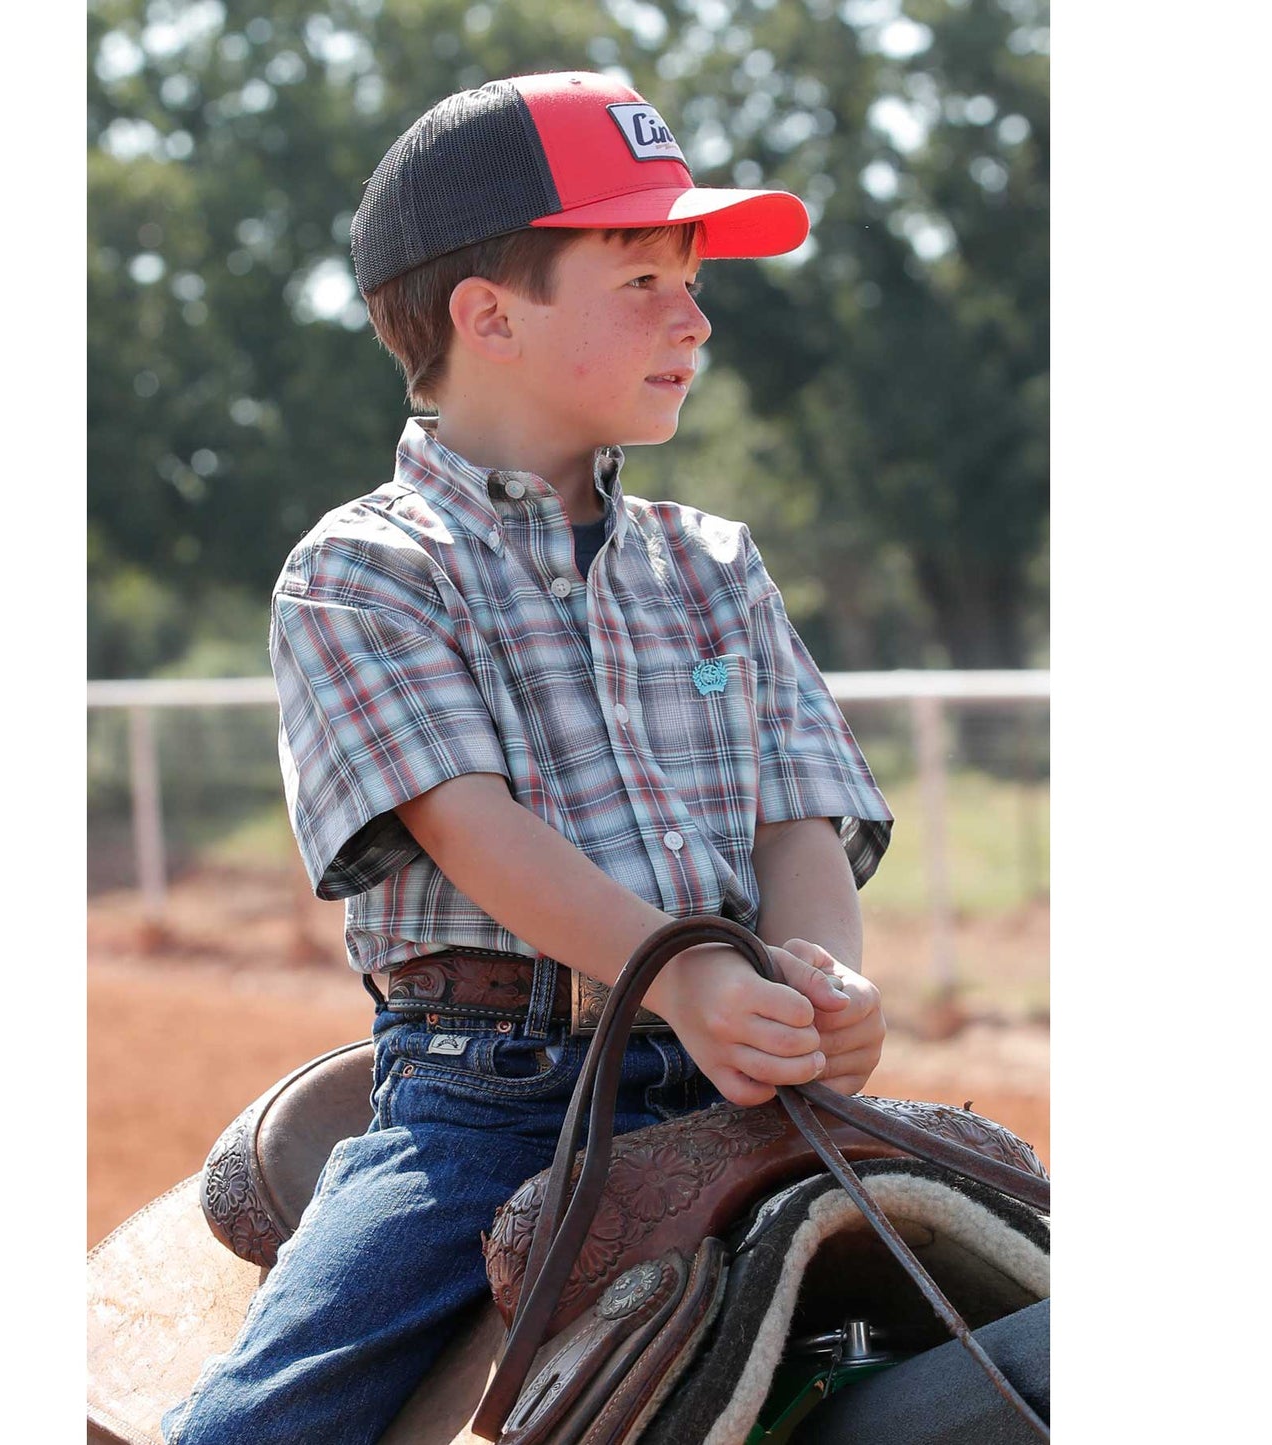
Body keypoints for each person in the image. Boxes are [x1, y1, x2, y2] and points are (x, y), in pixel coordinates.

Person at [163, 70, 894, 1445]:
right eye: (640, 278)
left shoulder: (714, 563)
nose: (695, 315)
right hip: (493, 1095)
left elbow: (801, 807)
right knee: (268, 1423)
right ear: (486, 315)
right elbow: (468, 824)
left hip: (737, 1053)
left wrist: (812, 972)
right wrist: (683, 973)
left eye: (691, 277)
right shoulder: (364, 570)